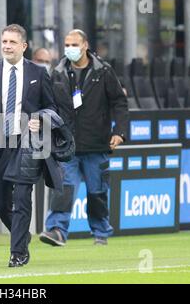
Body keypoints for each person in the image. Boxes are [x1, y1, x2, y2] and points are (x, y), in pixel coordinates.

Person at [0, 24, 58, 267]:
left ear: (23, 46)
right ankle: (22, 235)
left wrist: (40, 119)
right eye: (4, 42)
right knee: (2, 205)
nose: (7, 46)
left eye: (12, 42)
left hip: (27, 146)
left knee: (22, 197)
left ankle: (17, 252)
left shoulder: (39, 73)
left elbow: (52, 107)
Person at [39, 29, 129, 247]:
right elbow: (48, 103)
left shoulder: (103, 71)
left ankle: (100, 231)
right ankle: (57, 230)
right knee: (64, 188)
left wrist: (120, 132)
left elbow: (119, 102)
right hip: (66, 144)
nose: (69, 48)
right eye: (67, 44)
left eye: (74, 44)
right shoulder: (57, 72)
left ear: (85, 45)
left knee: (97, 191)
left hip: (96, 143)